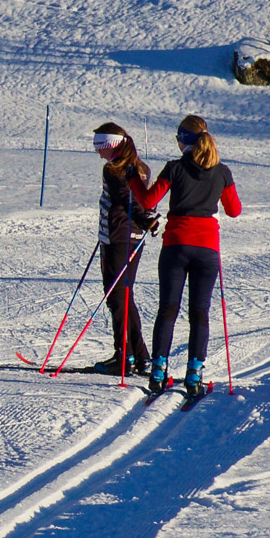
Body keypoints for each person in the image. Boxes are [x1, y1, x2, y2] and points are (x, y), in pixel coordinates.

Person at [130, 115, 240, 395]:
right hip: (207, 249)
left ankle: (158, 372)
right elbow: (234, 210)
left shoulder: (174, 168)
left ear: (183, 141)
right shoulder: (222, 171)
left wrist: (132, 177)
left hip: (176, 245)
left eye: (178, 138)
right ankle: (194, 374)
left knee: (168, 308)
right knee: (199, 311)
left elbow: (148, 200)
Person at [89, 124, 156, 376]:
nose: (98, 154)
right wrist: (146, 219)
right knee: (124, 297)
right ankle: (141, 357)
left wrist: (143, 219)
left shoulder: (114, 168)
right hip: (133, 238)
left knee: (117, 298)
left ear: (110, 145)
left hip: (117, 238)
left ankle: (124, 357)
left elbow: (124, 198)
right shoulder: (141, 166)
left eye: (99, 147)